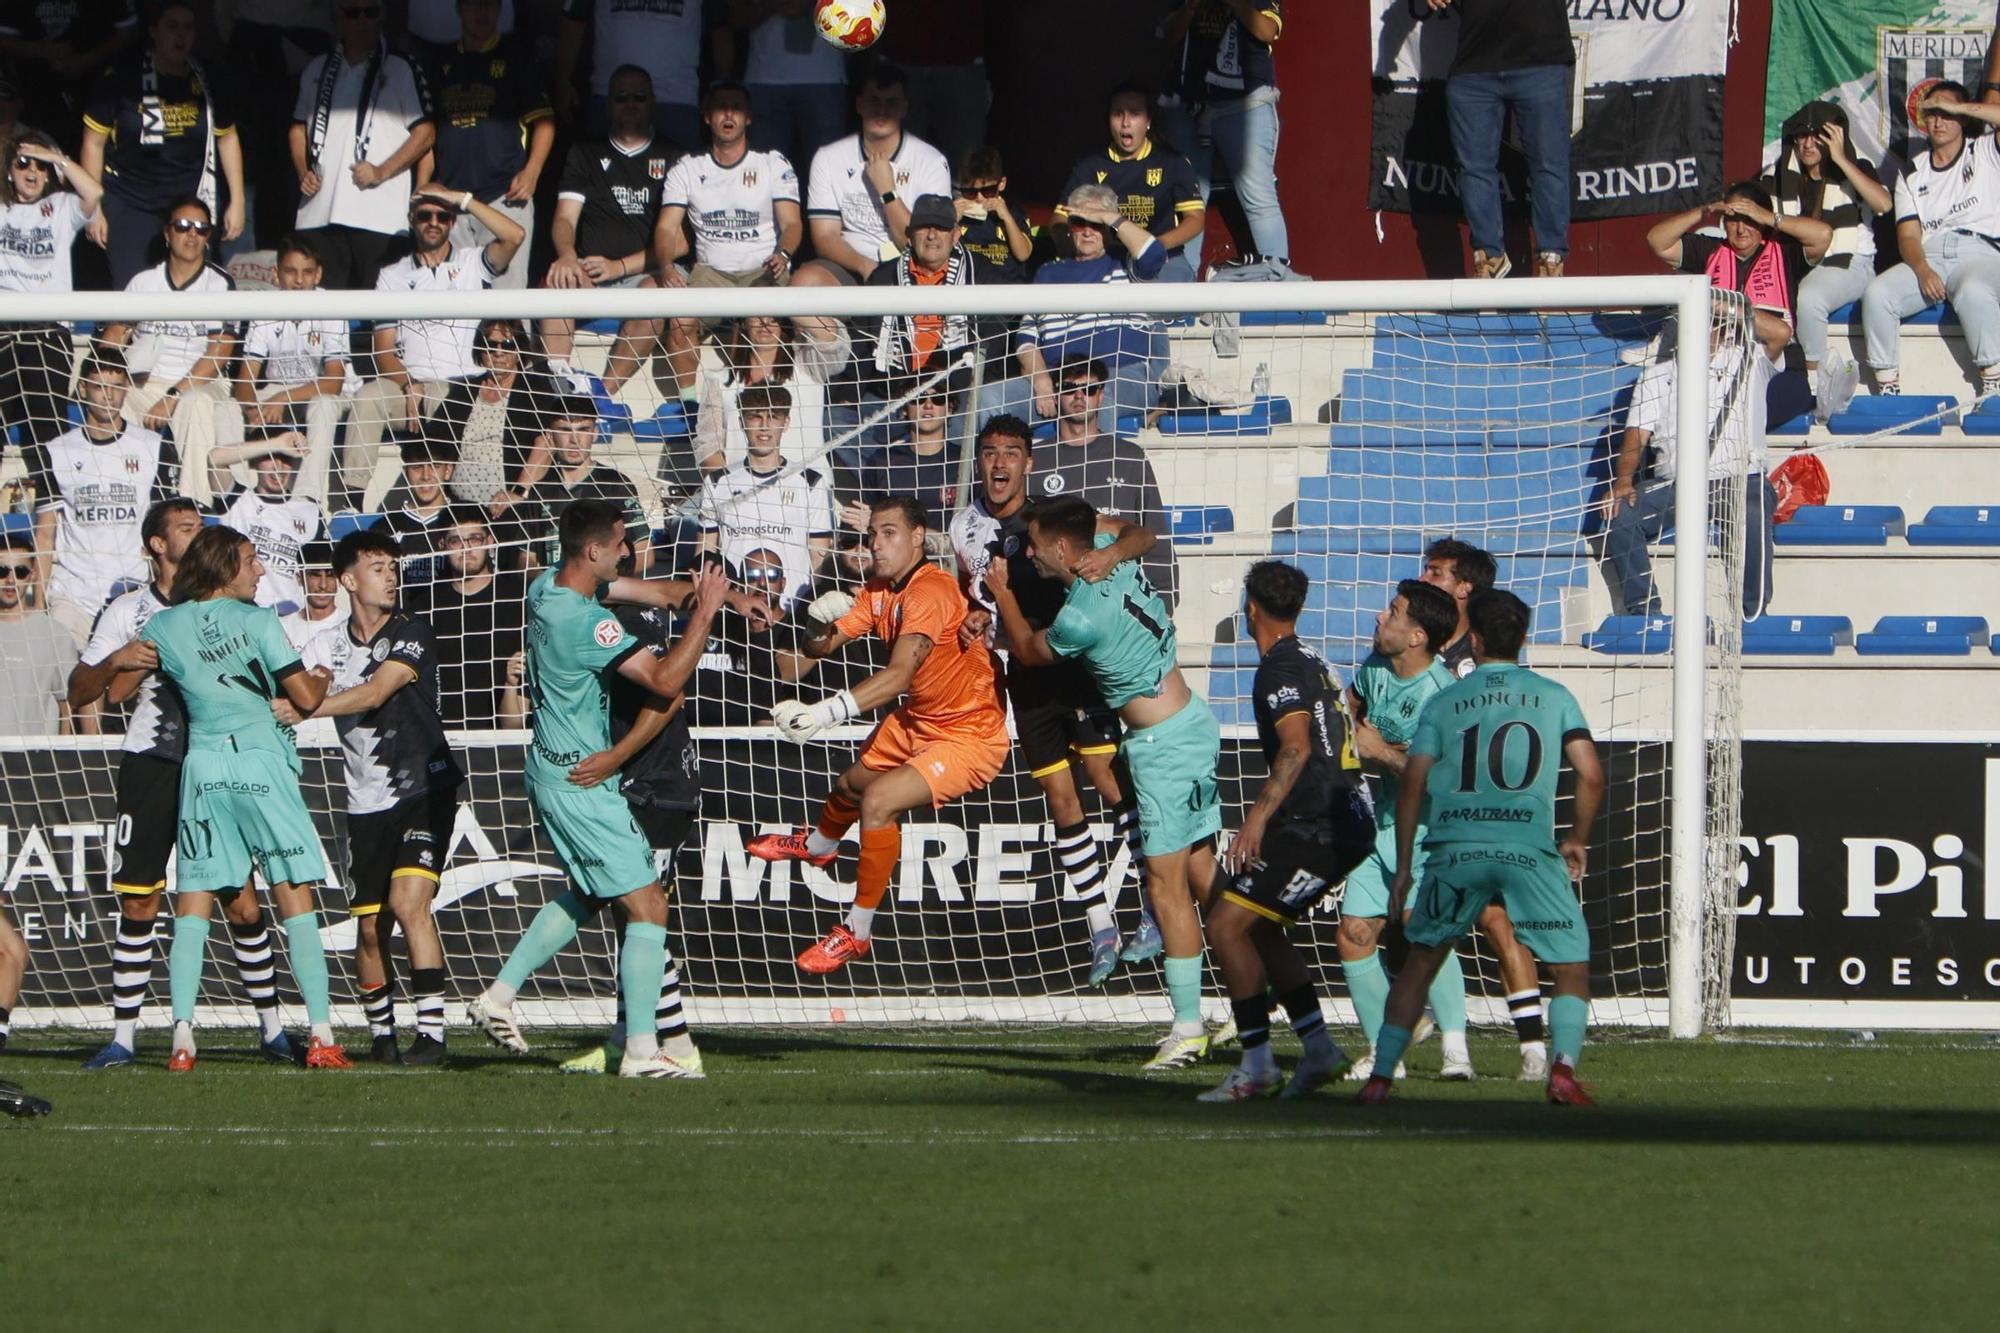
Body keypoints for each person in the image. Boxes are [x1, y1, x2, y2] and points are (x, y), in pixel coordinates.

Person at [465, 501, 730, 1079]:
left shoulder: (546, 589)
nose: (627, 549)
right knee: (648, 904)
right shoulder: (585, 623)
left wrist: (705, 595)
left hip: (549, 768)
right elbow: (664, 680)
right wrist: (706, 614)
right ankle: (641, 1051)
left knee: (589, 893)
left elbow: (643, 591)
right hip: (584, 778)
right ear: (594, 552)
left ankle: (499, 997)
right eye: (620, 543)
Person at [987, 494, 1221, 1071]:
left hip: (1163, 745)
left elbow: (1025, 649)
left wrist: (1003, 594)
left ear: (1063, 548)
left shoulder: (1079, 616)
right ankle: (1257, 995)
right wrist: (1114, 548)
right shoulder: (1115, 556)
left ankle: (1189, 1027)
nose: (1032, 557)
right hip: (1192, 721)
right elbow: (1142, 535)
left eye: (1038, 548)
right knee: (1203, 876)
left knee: (1166, 892)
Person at [68, 500, 301, 1069]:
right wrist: (121, 659)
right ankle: (124, 1037)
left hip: (216, 762)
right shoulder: (132, 609)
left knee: (241, 902)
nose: (198, 534)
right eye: (186, 528)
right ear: (157, 545)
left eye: (202, 526)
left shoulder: (238, 607)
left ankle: (272, 1029)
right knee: (141, 900)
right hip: (152, 763)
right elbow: (82, 692)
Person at [1355, 588, 1605, 1108]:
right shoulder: (1555, 696)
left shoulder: (1445, 701)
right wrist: (1577, 839)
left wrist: (1404, 865)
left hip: (1454, 850)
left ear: (1474, 638)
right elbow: (1592, 775)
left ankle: (1380, 1077)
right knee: (1571, 964)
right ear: (1524, 638)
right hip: (1527, 849)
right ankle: (1560, 1068)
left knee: (1421, 960)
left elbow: (1414, 784)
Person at [749, 494, 1011, 976]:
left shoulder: (929, 591)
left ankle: (857, 931)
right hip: (920, 719)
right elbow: (807, 657)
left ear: (917, 537)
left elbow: (899, 676)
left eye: (888, 533)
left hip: (968, 732)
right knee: (850, 785)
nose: (876, 544)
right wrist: (813, 622)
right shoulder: (877, 590)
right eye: (872, 535)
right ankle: (820, 847)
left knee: (878, 801)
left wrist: (826, 713)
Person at [126, 523, 346, 1071]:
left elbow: (119, 687)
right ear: (225, 567)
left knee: (193, 900)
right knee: (293, 898)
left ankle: (181, 1038)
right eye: (251, 561)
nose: (261, 569)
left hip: (202, 768)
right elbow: (303, 697)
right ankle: (321, 1035)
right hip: (261, 761)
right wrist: (320, 675)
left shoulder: (163, 625)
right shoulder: (257, 619)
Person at [949, 417, 1156, 983]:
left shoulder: (1054, 520)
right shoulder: (962, 526)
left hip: (1076, 665)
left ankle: (1155, 906)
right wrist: (976, 617)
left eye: (1011, 454)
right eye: (989, 453)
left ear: (1028, 463)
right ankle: (1100, 926)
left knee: (1109, 780)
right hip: (1027, 673)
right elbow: (980, 598)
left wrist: (1113, 556)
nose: (998, 465)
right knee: (1061, 800)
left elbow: (1140, 533)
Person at [282, 529, 463, 1066]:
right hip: (364, 801)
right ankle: (382, 1036)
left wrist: (306, 709)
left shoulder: (412, 630)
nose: (390, 574)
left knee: (411, 905)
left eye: (393, 565)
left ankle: (431, 1035)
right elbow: (303, 687)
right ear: (348, 580)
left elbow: (378, 691)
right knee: (368, 929)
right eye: (378, 566)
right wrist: (291, 699)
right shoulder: (325, 645)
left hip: (425, 787)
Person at [1198, 560, 1372, 1101]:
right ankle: (1318, 1051)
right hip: (1342, 816)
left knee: (1227, 926)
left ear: (1251, 608)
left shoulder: (1277, 669)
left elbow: (1296, 746)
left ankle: (1257, 1066)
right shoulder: (1315, 659)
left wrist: (1254, 821)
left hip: (1320, 822)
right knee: (1261, 926)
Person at [554, 591, 711, 1077]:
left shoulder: (616, 628)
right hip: (641, 788)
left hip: (660, 792)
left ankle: (680, 1045)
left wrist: (616, 757)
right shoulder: (602, 610)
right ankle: (626, 1036)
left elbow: (669, 694)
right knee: (631, 922)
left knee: (643, 918)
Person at [1340, 580, 1474, 1083]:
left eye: (1392, 612)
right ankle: (1383, 1051)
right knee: (1354, 936)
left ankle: (1456, 1050)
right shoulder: (1375, 669)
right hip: (1383, 823)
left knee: (1424, 931)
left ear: (1417, 636)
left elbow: (1446, 780)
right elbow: (1351, 705)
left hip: (1432, 828)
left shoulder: (1443, 698)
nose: (1380, 617)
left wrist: (1380, 755)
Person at [345, 181, 526, 501]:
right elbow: (384, 351)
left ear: (453, 222)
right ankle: (352, 499)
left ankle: (444, 499)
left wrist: (462, 198)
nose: (433, 222)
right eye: (425, 215)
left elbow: (515, 236)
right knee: (368, 396)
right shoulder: (392, 275)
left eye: (443, 216)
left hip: (463, 386)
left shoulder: (472, 262)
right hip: (410, 385)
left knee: (444, 398)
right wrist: (409, 384)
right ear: (412, 220)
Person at [1606, 313, 1784, 622]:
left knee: (1753, 509)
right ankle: (1645, 612)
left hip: (1741, 478)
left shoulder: (1749, 359)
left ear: (1723, 328)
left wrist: (1722, 305)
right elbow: (1636, 434)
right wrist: (1623, 479)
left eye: (1705, 320)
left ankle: (1753, 613)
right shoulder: (1657, 374)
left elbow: (1780, 333)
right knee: (1620, 512)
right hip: (1674, 484)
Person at [80, 0, 245, 287]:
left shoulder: (207, 77)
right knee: (132, 290)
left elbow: (227, 137)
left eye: (188, 27)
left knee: (190, 288)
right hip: (130, 200)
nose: (180, 35)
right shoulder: (122, 75)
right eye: (172, 26)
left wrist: (238, 201)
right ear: (154, 31)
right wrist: (93, 209)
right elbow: (93, 142)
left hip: (187, 201)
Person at [657, 82, 802, 398]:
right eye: (720, 107)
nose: (728, 114)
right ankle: (689, 405)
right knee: (681, 320)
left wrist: (784, 252)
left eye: (736, 107)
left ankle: (765, 396)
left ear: (748, 117)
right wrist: (667, 266)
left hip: (763, 270)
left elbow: (792, 223)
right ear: (707, 117)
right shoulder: (687, 168)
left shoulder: (772, 163)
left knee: (766, 321)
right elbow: (667, 229)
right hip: (711, 274)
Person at [542, 65, 679, 395]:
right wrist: (568, 256)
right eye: (621, 98)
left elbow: (681, 240)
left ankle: (599, 399)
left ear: (653, 103)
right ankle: (561, 392)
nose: (630, 104)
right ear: (607, 105)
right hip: (589, 273)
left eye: (639, 97)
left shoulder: (674, 155)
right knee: (554, 283)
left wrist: (618, 266)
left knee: (656, 295)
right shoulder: (584, 152)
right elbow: (564, 219)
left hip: (644, 273)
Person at [27, 351, 180, 647]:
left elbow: (169, 529)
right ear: (83, 388)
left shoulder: (154, 447)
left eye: (115, 386)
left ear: (126, 389)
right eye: (99, 386)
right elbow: (45, 534)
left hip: (132, 590)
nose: (108, 396)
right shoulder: (57, 451)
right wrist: (36, 608)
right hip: (72, 593)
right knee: (68, 685)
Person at [98, 198, 239, 506]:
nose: (192, 235)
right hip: (146, 382)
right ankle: (128, 497)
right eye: (183, 226)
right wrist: (107, 372)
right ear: (167, 233)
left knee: (194, 402)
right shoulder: (143, 282)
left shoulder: (219, 284)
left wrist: (173, 395)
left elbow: (220, 353)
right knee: (111, 395)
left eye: (201, 229)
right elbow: (114, 335)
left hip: (200, 384)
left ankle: (192, 503)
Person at [289, 0, 436, 290]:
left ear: (382, 17)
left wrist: (382, 171)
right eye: (352, 13)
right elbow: (297, 127)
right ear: (337, 18)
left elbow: (426, 133)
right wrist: (302, 170)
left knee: (381, 317)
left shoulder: (401, 66)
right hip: (319, 213)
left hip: (380, 218)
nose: (362, 20)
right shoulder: (317, 67)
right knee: (324, 319)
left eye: (370, 12)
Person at [1864, 87, 2000, 398]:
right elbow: (1909, 235)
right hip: (1933, 255)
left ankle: (1994, 385)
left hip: (1983, 252)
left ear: (1963, 118)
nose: (1939, 121)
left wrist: (1962, 107)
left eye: (1947, 113)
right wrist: (1923, 269)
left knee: (1973, 292)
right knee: (1878, 293)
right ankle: (1887, 389)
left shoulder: (1985, 150)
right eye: (1932, 114)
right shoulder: (1913, 171)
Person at [995, 186, 1166, 431]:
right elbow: (1026, 339)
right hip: (1059, 380)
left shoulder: (1126, 263)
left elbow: (1154, 254)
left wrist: (1109, 217)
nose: (1087, 231)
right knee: (988, 399)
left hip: (1123, 376)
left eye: (1095, 224)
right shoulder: (1047, 273)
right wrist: (1040, 378)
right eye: (1079, 223)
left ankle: (1093, 469)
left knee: (1092, 398)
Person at [1764, 102, 1889, 414]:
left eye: (1817, 136)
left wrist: (1842, 159)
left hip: (1850, 263)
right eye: (1801, 137)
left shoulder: (1856, 167)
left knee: (1808, 299)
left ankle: (1813, 385)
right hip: (1796, 265)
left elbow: (1883, 203)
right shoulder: (1780, 176)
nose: (1808, 144)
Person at [1028, 358, 1178, 610]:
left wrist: (1164, 601)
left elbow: (1155, 533)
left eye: (1089, 389)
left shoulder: (1129, 456)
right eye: (1069, 388)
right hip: (1051, 608)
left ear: (1101, 395)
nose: (1079, 396)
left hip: (1117, 610)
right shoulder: (1033, 459)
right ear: (1056, 393)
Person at [425, 0, 552, 291]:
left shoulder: (517, 57)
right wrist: (424, 186)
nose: (482, 12)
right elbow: (429, 134)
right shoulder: (440, 62)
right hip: (451, 200)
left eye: (491, 5)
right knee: (454, 302)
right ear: (459, 9)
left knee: (507, 304)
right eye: (474, 5)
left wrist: (532, 172)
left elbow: (545, 122)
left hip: (504, 196)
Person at [1159, 0, 1289, 272]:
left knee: (1258, 196)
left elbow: (1268, 31)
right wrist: (1191, 8)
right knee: (1189, 200)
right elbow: (1169, 34)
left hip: (1246, 102)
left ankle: (1278, 289)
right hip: (1188, 101)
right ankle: (1180, 292)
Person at [794, 62, 951, 285]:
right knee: (804, 283)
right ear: (859, 104)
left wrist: (887, 191)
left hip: (913, 266)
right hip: (852, 265)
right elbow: (824, 237)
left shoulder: (932, 161)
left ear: (904, 108)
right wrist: (865, 266)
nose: (882, 110)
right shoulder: (828, 157)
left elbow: (923, 244)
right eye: (874, 101)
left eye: (891, 102)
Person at [1645, 180, 1830, 359]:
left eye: (1749, 220)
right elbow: (1657, 241)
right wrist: (1702, 212)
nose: (1741, 229)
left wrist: (1768, 216)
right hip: (1720, 358)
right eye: (1733, 221)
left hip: (1777, 356)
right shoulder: (1709, 250)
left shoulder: (1785, 252)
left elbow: (1823, 235)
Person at [232, 234, 352, 506]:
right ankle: (235, 490)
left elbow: (333, 382)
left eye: (307, 272)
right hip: (277, 391)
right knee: (226, 408)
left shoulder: (333, 307)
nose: (299, 281)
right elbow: (245, 380)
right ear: (276, 274)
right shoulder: (264, 308)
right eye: (290, 271)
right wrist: (251, 407)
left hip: (321, 393)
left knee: (324, 405)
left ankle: (307, 498)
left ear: (318, 274)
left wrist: (280, 399)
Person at [0, 132, 101, 449]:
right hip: (3, 327)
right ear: (9, 170)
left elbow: (94, 191)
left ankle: (50, 497)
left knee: (47, 429)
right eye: (23, 163)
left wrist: (57, 157)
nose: (32, 172)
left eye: (41, 166)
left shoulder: (61, 206)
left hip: (48, 333)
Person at [697, 383, 835, 608]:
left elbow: (819, 558)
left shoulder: (811, 483)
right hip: (735, 607)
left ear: (786, 423)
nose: (764, 427)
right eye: (755, 417)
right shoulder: (717, 481)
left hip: (791, 607)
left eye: (773, 416)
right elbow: (704, 553)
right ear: (741, 423)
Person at [1058, 85, 1203, 283]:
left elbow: (1195, 220)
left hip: (1166, 258)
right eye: (1118, 114)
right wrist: (1077, 249)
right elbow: (1059, 219)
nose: (1125, 122)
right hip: (1108, 259)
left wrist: (1153, 246)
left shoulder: (1173, 162)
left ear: (1148, 120)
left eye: (1135, 113)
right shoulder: (1089, 165)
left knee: (1173, 306)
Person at [492, 396, 651, 571]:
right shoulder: (540, 491)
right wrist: (551, 584)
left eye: (583, 429)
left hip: (603, 596)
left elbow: (645, 554)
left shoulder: (615, 485)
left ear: (595, 433)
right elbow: (526, 559)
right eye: (565, 430)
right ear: (550, 436)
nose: (575, 440)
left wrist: (600, 580)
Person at [402, 512, 527, 727]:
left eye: (475, 539)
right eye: (455, 541)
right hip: (440, 739)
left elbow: (517, 718)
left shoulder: (521, 601)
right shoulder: (423, 608)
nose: (466, 548)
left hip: (503, 741)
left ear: (489, 542)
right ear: (442, 545)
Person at [427, 317, 565, 512]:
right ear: (480, 350)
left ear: (519, 350)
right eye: (491, 345)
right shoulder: (463, 392)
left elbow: (546, 445)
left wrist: (517, 492)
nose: (499, 352)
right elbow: (435, 443)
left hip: (511, 508)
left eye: (507, 345)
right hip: (458, 507)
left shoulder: (535, 391)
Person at [689, 313, 848, 475]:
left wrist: (783, 303)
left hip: (807, 489)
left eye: (774, 318)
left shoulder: (808, 365)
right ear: (744, 323)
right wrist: (726, 486)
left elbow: (832, 340)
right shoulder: (719, 380)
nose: (765, 324)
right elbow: (708, 446)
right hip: (743, 491)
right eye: (757, 316)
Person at [557, 0, 716, 145]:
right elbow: (574, 19)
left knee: (682, 172)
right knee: (603, 173)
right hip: (611, 95)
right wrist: (563, 79)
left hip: (677, 98)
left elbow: (720, 26)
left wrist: (720, 87)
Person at [206, 446, 326, 613]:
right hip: (242, 610)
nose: (279, 466)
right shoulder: (238, 499)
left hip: (291, 613)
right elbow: (214, 459)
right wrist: (277, 442)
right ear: (255, 461)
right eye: (270, 458)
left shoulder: (309, 510)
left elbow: (320, 569)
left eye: (286, 459)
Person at [737, 0, 849, 174]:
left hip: (825, 79)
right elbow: (734, 17)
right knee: (762, 178)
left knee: (829, 178)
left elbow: (864, 16)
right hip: (766, 80)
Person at [0, 531, 77, 735]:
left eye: (20, 571)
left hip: (35, 758)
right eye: (2, 571)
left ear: (33, 574)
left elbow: (66, 705)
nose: (10, 580)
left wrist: (63, 753)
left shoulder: (55, 634)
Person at [370, 435, 460, 585]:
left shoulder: (465, 519)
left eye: (434, 466)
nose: (426, 476)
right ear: (406, 472)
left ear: (448, 471)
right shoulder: (384, 527)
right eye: (417, 467)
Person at [951, 146, 1033, 283]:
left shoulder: (1013, 211)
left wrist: (1006, 217)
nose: (979, 198)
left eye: (988, 191)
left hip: (1008, 287)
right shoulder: (954, 211)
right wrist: (950, 221)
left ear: (1001, 184)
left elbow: (1023, 254)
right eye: (970, 192)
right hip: (968, 287)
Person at [1419, 537, 1495, 678]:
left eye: (1435, 573)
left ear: (1464, 588)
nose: (1422, 579)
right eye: (1425, 571)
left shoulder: (1486, 649)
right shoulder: (1409, 637)